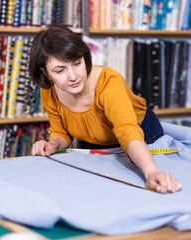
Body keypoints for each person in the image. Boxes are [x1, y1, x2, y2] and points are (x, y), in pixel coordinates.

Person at [28, 25, 182, 194]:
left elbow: (128, 132)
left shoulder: (109, 83)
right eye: (60, 70)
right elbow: (61, 131)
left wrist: (152, 172)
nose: (73, 76)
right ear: (46, 73)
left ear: (85, 58)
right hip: (91, 141)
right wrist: (52, 145)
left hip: (141, 135)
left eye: (77, 63)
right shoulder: (48, 91)